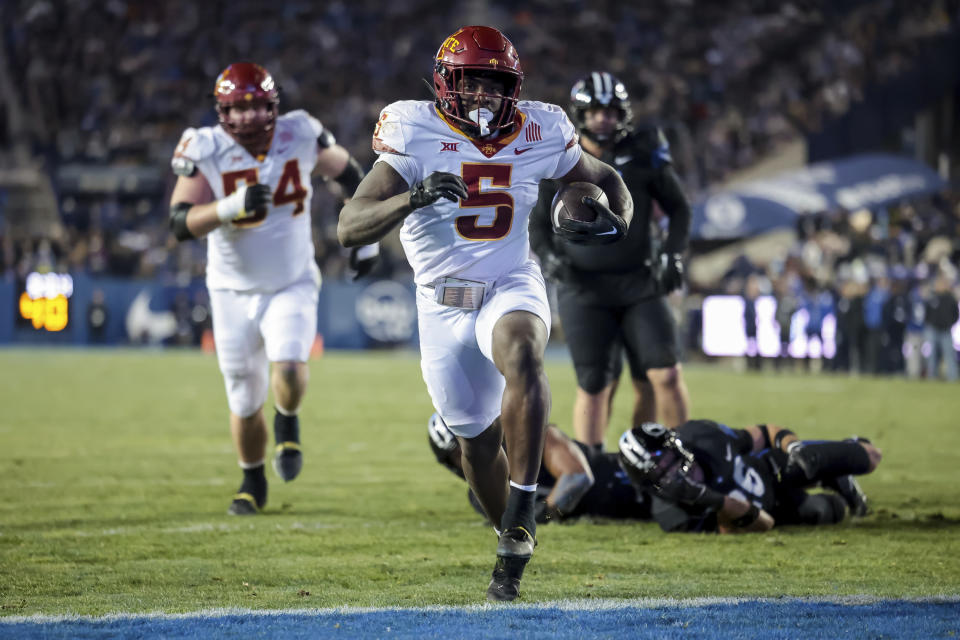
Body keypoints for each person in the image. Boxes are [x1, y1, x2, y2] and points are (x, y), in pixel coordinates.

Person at [337, 27, 633, 601]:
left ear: (512, 88)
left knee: (523, 354)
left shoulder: (541, 128)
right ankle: (511, 536)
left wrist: (617, 220)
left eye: (494, 84)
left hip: (508, 279)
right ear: (447, 84)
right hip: (440, 303)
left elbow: (605, 179)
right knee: (474, 439)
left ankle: (523, 510)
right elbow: (350, 225)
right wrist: (414, 198)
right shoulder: (413, 128)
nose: (481, 95)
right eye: (470, 82)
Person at [167, 62, 371, 516]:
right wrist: (227, 207)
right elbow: (179, 222)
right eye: (235, 109)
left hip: (291, 281)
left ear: (272, 105)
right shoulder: (205, 146)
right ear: (221, 111)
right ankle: (252, 480)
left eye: (254, 106)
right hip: (230, 289)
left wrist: (366, 233)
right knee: (242, 396)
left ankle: (288, 419)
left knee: (292, 368)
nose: (244, 118)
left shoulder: (300, 132)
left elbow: (351, 175)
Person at [528, 71, 692, 451]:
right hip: (582, 286)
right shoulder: (558, 154)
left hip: (640, 281)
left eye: (611, 111)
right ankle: (593, 468)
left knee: (662, 375)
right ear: (581, 114)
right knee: (596, 384)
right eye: (596, 110)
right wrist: (550, 259)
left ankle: (672, 459)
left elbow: (679, 208)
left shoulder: (645, 149)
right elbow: (537, 226)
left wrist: (672, 253)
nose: (604, 118)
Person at [618, 420, 882, 534]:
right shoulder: (671, 515)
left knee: (869, 456)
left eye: (669, 458)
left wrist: (795, 448)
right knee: (829, 511)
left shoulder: (701, 437)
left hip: (772, 468)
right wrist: (714, 501)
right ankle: (834, 482)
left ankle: (830, 473)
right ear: (647, 482)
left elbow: (767, 432)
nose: (672, 469)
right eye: (660, 470)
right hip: (772, 510)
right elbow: (761, 525)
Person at [428, 413, 652, 524]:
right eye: (459, 453)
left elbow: (577, 478)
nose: (470, 453)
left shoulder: (530, 436)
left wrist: (542, 513)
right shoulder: (478, 496)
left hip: (643, 480)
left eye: (471, 442)